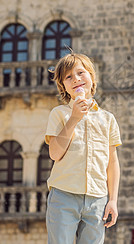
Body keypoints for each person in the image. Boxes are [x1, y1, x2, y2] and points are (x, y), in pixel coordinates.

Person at [45, 53, 122, 244]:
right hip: (64, 195)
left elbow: (112, 162)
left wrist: (113, 200)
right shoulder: (59, 114)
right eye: (68, 77)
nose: (76, 79)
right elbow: (55, 153)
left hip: (97, 199)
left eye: (81, 73)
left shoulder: (108, 119)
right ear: (63, 86)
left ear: (91, 77)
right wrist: (74, 119)